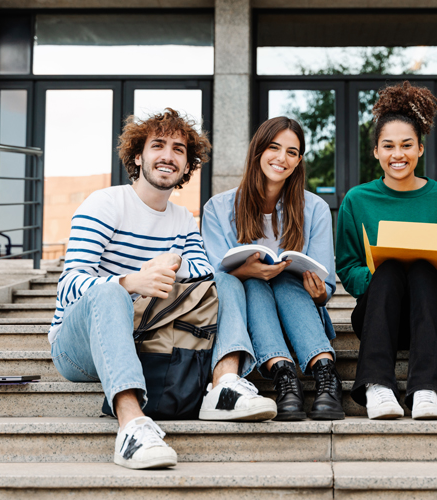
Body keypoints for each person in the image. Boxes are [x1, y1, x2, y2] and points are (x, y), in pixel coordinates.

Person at [50, 108, 276, 471]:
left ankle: (225, 384)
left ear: (188, 166)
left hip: (146, 337)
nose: (168, 156)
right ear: (138, 156)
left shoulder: (183, 220)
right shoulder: (106, 204)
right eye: (158, 145)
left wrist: (171, 268)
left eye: (179, 150)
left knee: (228, 278)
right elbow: (70, 286)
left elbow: (203, 275)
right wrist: (130, 282)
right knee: (110, 294)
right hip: (79, 346)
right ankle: (132, 428)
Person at [201, 116, 343, 421]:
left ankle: (326, 376)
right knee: (253, 283)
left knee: (286, 280)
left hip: (300, 312)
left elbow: (325, 287)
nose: (282, 158)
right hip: (251, 312)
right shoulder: (218, 208)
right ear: (258, 151)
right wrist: (247, 272)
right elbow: (214, 277)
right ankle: (285, 380)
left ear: (299, 160)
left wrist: (319, 292)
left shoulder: (314, 207)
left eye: (292, 152)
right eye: (274, 148)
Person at [335, 81, 437, 420]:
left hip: (432, 316)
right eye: (388, 146)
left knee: (422, 267)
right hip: (377, 314)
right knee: (389, 269)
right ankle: (377, 386)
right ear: (376, 151)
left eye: (406, 145)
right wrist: (377, 270)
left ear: (420, 148)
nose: (397, 154)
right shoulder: (357, 200)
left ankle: (427, 389)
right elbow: (347, 266)